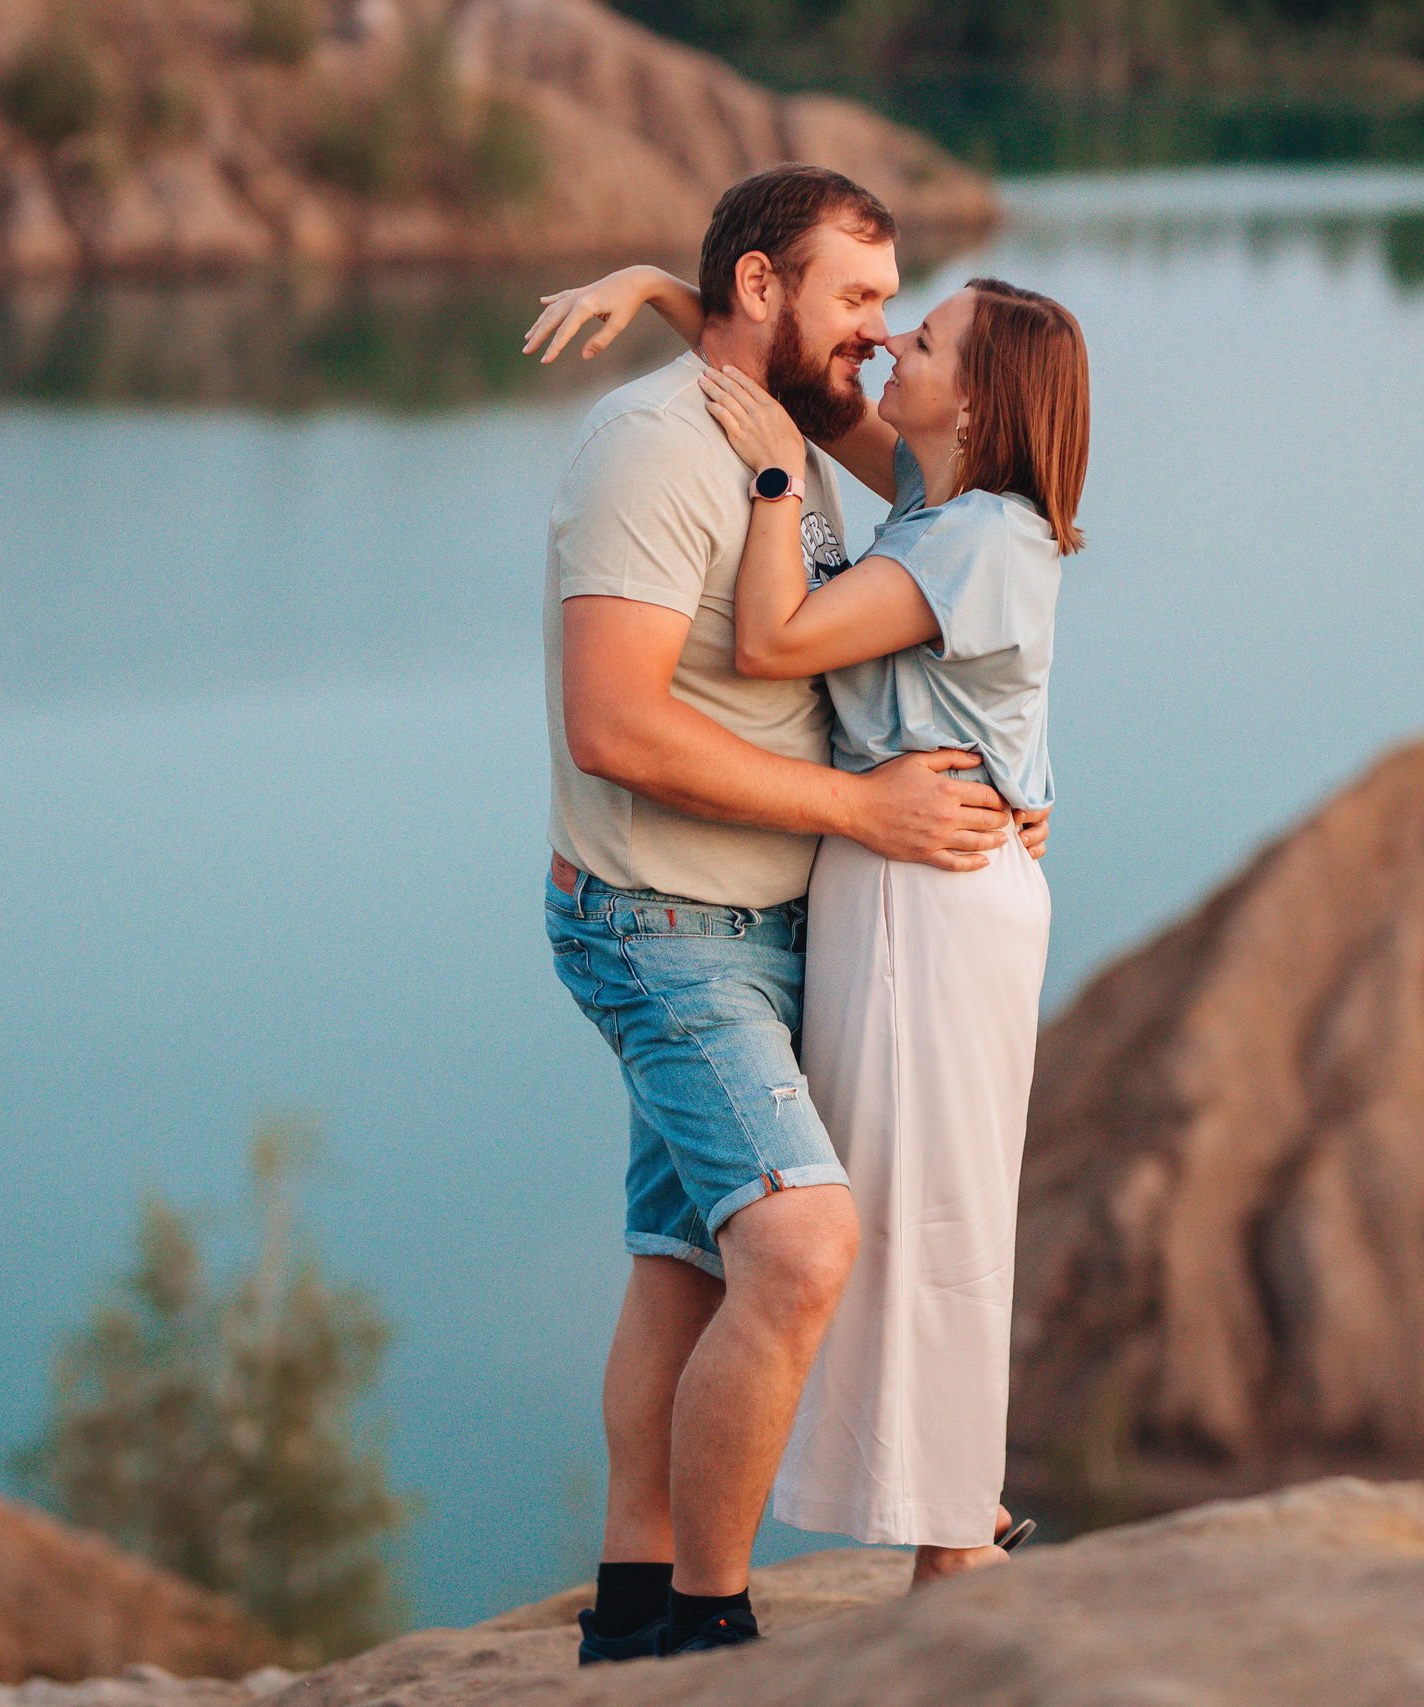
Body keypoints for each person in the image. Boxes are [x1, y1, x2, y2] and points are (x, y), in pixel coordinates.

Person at [526, 165, 1047, 1663]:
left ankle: (634, 1604)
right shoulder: (651, 449)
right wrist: (867, 813)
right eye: (862, 300)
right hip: (663, 924)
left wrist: (1007, 774)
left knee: (685, 1262)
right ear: (768, 289)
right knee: (806, 1247)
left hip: (770, 924)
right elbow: (613, 727)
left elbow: (948, 548)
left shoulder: (784, 427)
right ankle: (707, 1619)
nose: (880, 341)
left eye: (898, 311)